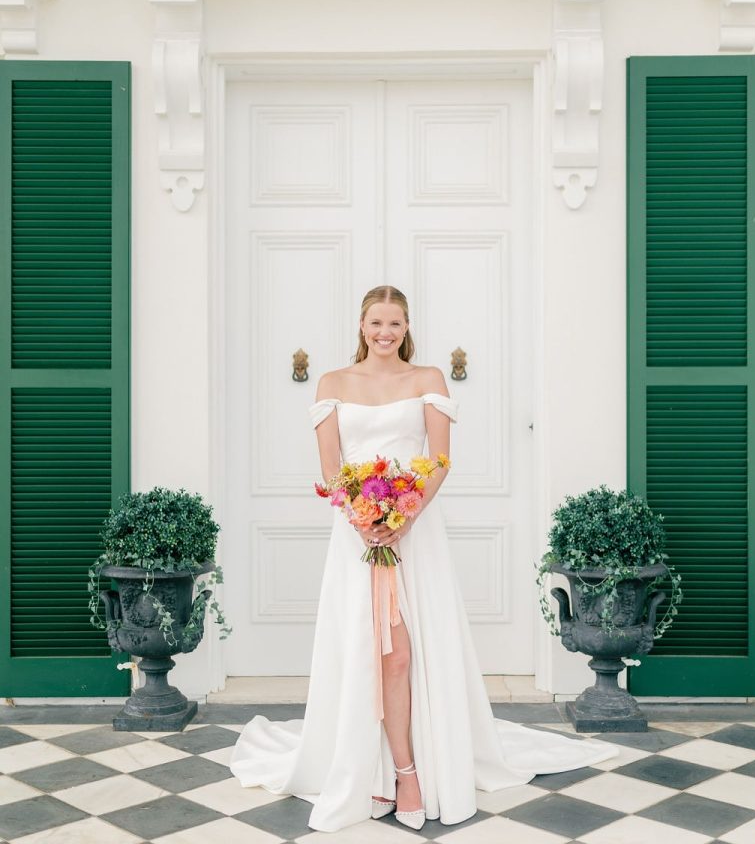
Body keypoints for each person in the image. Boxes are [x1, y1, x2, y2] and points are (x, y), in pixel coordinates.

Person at [230, 284, 617, 833]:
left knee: (405, 655)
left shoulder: (428, 380)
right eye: (375, 324)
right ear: (361, 326)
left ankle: (409, 771)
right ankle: (372, 769)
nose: (385, 333)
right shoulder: (333, 384)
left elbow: (439, 462)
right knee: (367, 651)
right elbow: (330, 468)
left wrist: (404, 516)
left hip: (416, 531)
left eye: (394, 324)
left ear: (406, 328)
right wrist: (363, 518)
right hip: (358, 535)